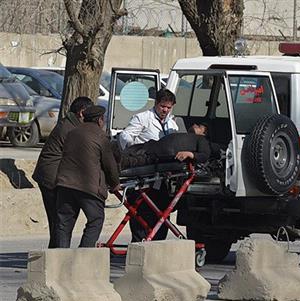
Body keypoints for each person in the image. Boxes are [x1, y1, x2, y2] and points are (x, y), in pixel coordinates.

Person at [118, 89, 179, 242]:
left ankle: (158, 244)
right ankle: (139, 242)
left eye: (168, 107)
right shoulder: (143, 118)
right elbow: (126, 136)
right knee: (141, 212)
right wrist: (134, 152)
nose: (165, 110)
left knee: (162, 211)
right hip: (143, 171)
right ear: (156, 104)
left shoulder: (172, 124)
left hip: (163, 175)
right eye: (162, 106)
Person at [54, 105, 120, 248]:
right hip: (88, 187)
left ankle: (59, 259)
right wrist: (115, 184)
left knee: (64, 224)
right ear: (100, 120)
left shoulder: (72, 133)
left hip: (65, 184)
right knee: (96, 219)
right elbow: (110, 165)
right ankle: (84, 256)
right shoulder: (101, 136)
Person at [32, 96, 93, 248]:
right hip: (51, 178)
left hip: (50, 175)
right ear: (82, 112)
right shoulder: (71, 129)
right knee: (60, 220)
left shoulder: (69, 124)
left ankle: (55, 252)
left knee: (57, 221)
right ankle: (57, 254)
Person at [119, 121, 212, 168]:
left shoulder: (202, 140)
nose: (195, 125)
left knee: (128, 161)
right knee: (123, 153)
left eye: (199, 127)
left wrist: (189, 154)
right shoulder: (184, 134)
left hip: (159, 156)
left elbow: (205, 155)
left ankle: (117, 165)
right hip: (151, 146)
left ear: (204, 134)